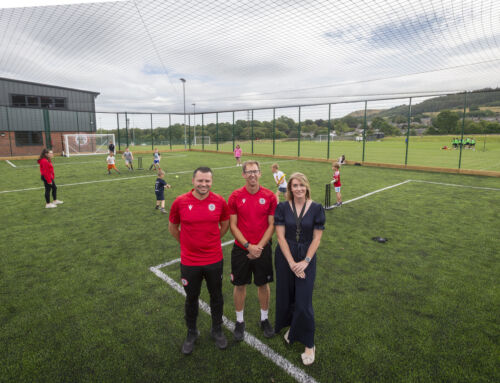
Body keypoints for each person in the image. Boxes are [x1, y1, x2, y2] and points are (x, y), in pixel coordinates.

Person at [168, 167, 230, 355]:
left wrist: (212, 241)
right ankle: (191, 332)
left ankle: (217, 329)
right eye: (200, 181)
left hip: (213, 259)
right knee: (191, 298)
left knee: (216, 296)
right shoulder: (180, 201)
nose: (204, 184)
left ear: (212, 182)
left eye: (207, 181)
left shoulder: (219, 201)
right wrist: (187, 244)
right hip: (190, 261)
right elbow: (173, 227)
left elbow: (225, 224)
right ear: (193, 181)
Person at [273, 172, 325, 366]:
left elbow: (317, 238)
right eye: (294, 186)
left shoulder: (317, 208)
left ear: (307, 186)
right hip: (285, 256)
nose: (298, 189)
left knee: (304, 301)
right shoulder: (282, 207)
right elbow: (280, 237)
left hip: (306, 257)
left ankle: (309, 344)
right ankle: (293, 329)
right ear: (290, 188)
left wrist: (305, 261)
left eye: (301, 185)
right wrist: (291, 262)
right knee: (287, 296)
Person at [228, 160, 277, 341]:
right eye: (248, 172)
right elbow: (233, 225)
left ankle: (264, 319)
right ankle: (240, 321)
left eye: (255, 171)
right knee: (240, 285)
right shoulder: (235, 196)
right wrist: (249, 246)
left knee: (263, 284)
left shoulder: (270, 196)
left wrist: (259, 247)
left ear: (260, 173)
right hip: (242, 249)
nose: (252, 175)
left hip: (263, 248)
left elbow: (272, 225)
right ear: (243, 175)